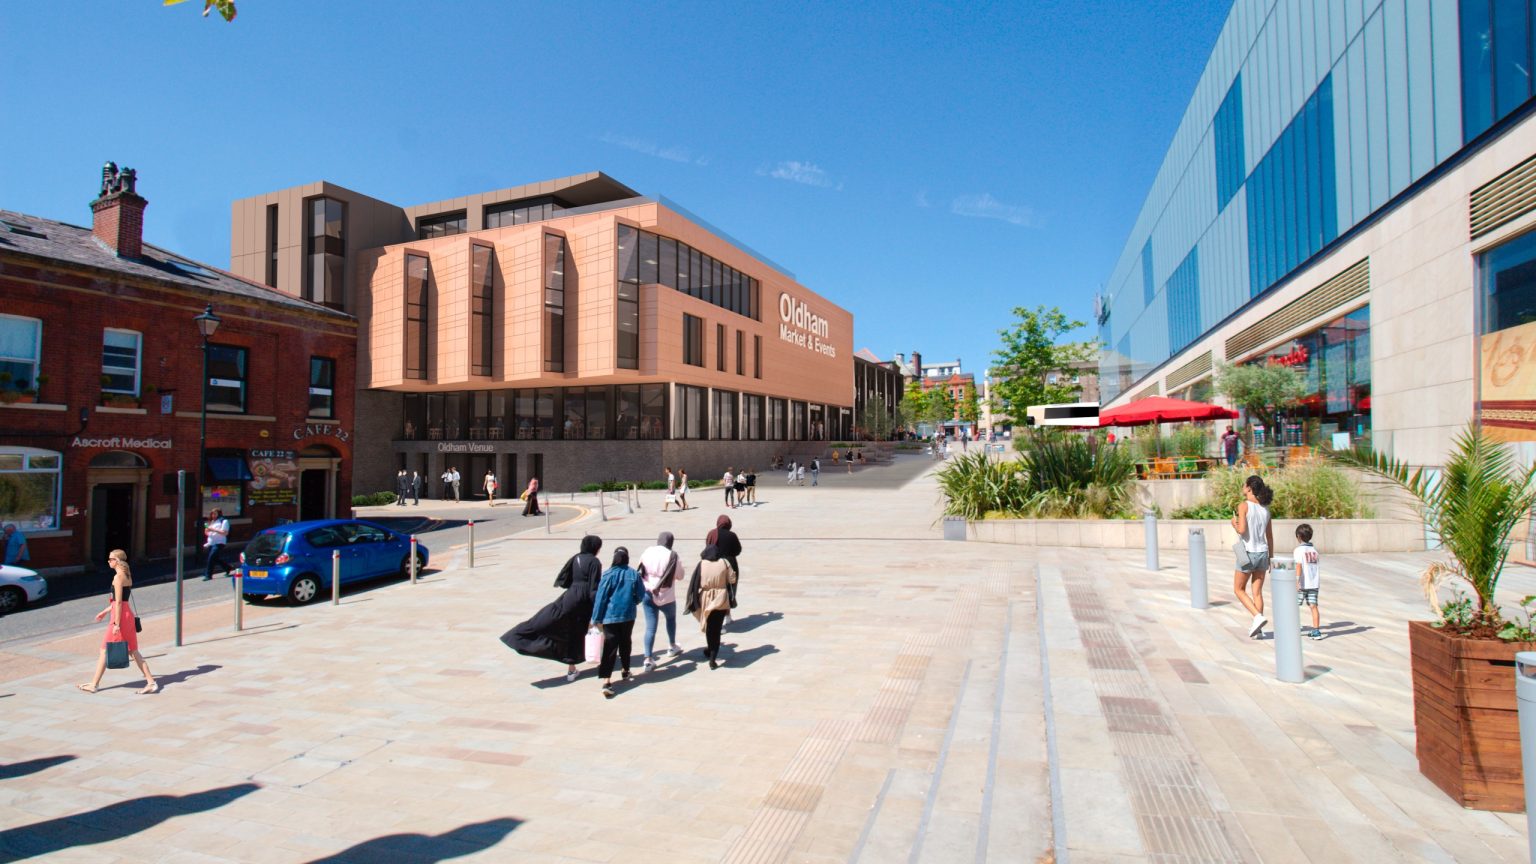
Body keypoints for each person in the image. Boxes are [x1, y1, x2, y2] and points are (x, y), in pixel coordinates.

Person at [503, 535, 604, 682]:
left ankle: (518, 636)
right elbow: (594, 588)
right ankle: (596, 662)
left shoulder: (576, 558)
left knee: (563, 628)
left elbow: (566, 578)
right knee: (581, 633)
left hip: (568, 598)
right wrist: (599, 607)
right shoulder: (595, 562)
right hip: (584, 601)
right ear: (595, 547)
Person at [78, 549, 158, 694]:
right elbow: (120, 602)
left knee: (104, 650)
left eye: (111, 559)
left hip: (120, 618)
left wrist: (116, 624)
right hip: (127, 616)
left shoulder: (118, 577)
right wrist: (105, 611)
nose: (108, 561)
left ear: (117, 561)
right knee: (133, 650)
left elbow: (119, 602)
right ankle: (151, 682)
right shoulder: (127, 576)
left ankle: (94, 684)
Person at [590, 547, 645, 698]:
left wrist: (595, 619)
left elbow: (601, 599)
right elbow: (641, 595)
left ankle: (607, 680)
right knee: (626, 642)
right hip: (628, 615)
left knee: (610, 646)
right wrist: (633, 602)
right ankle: (625, 670)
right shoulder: (634, 574)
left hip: (610, 616)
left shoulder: (608, 575)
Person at [1231, 475, 1275, 639]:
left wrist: (1233, 524)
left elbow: (1242, 530)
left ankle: (1257, 617)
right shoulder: (1266, 509)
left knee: (1238, 589)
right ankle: (1259, 630)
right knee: (1257, 592)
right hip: (1263, 553)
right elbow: (1269, 536)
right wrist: (1271, 558)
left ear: (1249, 488)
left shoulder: (1243, 506)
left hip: (1248, 553)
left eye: (1244, 484)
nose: (1243, 486)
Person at [685, 545, 737, 669]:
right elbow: (732, 579)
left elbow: (696, 582)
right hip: (721, 598)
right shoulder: (724, 562)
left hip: (706, 598)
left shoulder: (702, 563)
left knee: (709, 628)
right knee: (717, 628)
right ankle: (712, 657)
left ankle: (710, 650)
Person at [638, 532, 684, 671]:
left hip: (647, 592)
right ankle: (672, 646)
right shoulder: (672, 555)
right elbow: (680, 575)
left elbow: (640, 569)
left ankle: (648, 659)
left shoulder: (648, 551)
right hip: (666, 595)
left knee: (650, 627)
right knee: (671, 619)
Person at [706, 514, 743, 610]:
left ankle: (716, 609)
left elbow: (708, 548)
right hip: (730, 564)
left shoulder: (712, 533)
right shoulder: (732, 535)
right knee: (730, 588)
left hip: (715, 564)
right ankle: (727, 612)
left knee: (718, 588)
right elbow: (738, 550)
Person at [1294, 524, 1323, 640]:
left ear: (1298, 536)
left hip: (1302, 584)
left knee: (1294, 605)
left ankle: (1293, 627)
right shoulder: (1315, 551)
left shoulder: (1298, 550)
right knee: (1313, 606)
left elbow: (1298, 566)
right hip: (1314, 584)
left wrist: (1296, 581)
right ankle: (1316, 631)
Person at [202, 509, 232, 581]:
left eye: (215, 514)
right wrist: (207, 530)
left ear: (219, 514)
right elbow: (207, 533)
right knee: (215, 558)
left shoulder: (224, 521)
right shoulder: (211, 522)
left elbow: (224, 533)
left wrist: (212, 529)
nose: (213, 515)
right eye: (212, 514)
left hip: (219, 542)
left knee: (211, 558)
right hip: (211, 543)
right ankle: (228, 567)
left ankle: (208, 575)